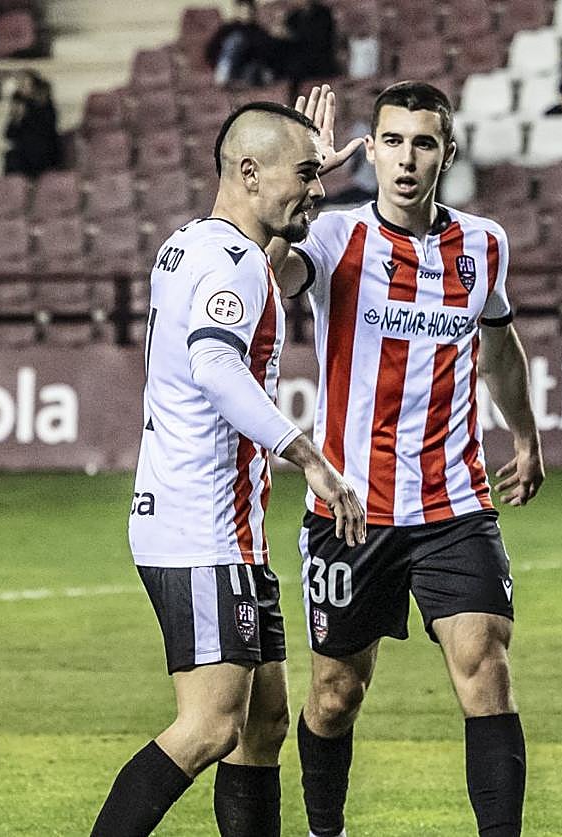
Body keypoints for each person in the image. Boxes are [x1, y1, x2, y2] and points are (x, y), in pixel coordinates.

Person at [267, 82, 545, 837]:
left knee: (485, 667)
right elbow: (260, 277)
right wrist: (301, 184)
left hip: (454, 502)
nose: (406, 158)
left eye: (424, 143)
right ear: (374, 150)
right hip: (351, 511)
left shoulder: (484, 244)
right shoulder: (332, 239)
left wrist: (524, 434)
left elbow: (500, 345)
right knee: (334, 694)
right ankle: (327, 829)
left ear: (447, 153)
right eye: (391, 141)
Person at [89, 101, 366, 837]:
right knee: (210, 725)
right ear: (248, 171)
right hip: (200, 530)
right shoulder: (233, 263)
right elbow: (215, 363)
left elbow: (256, 267)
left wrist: (309, 176)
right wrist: (312, 458)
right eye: (304, 175)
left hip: (215, 530)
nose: (316, 189)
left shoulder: (196, 245)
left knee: (264, 721)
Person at [3, 70, 61, 177]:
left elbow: (46, 130)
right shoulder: (19, 105)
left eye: (25, 83)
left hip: (44, 151)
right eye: (20, 83)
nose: (21, 87)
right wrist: (17, 118)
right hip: (24, 152)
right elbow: (9, 135)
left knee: (26, 152)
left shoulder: (45, 105)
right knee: (11, 156)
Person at [205, 0, 275, 87]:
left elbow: (268, 52)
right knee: (237, 39)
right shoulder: (229, 28)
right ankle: (223, 76)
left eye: (250, 10)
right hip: (229, 67)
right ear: (237, 11)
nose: (247, 13)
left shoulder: (258, 31)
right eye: (244, 10)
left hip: (248, 69)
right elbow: (212, 50)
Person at [279, 0, 340, 93]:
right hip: (301, 66)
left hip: (323, 61)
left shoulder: (323, 13)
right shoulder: (293, 17)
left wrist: (294, 36)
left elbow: (322, 37)